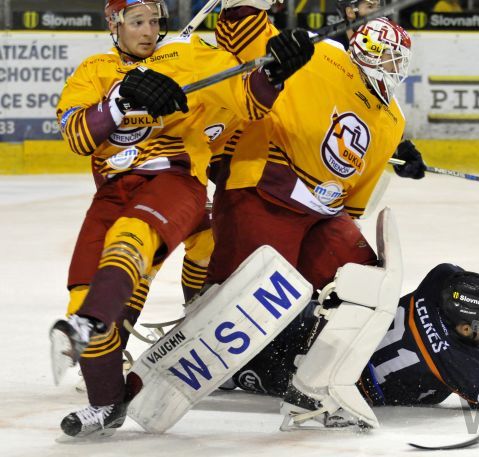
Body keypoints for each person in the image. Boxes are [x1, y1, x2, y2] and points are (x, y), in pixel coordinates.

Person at [49, 0, 314, 438]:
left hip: (174, 182)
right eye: (137, 22)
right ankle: (105, 401)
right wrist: (121, 98)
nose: (148, 31)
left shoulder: (188, 56)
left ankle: (180, 313)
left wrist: (275, 74)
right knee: (84, 294)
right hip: (115, 192)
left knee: (140, 240)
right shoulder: (94, 71)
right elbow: (77, 135)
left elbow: (250, 101)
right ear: (114, 26)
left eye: (155, 21)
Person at [205, 12, 410, 294]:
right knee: (248, 293)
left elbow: (353, 202)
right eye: (392, 56)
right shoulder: (319, 52)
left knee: (362, 289)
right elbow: (244, 38)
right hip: (266, 191)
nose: (397, 67)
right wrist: (244, 10)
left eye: (400, 60)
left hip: (325, 215)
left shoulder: (394, 119)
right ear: (370, 51)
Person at [225, 263, 479, 413]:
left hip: (324, 330)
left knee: (269, 329)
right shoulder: (469, 366)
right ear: (465, 327)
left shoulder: (438, 282)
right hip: (321, 379)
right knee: (241, 371)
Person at [334, 0, 427, 180]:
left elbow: (374, 106)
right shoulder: (328, 49)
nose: (379, 12)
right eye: (370, 7)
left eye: (379, 6)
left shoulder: (382, 49)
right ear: (350, 12)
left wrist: (399, 148)